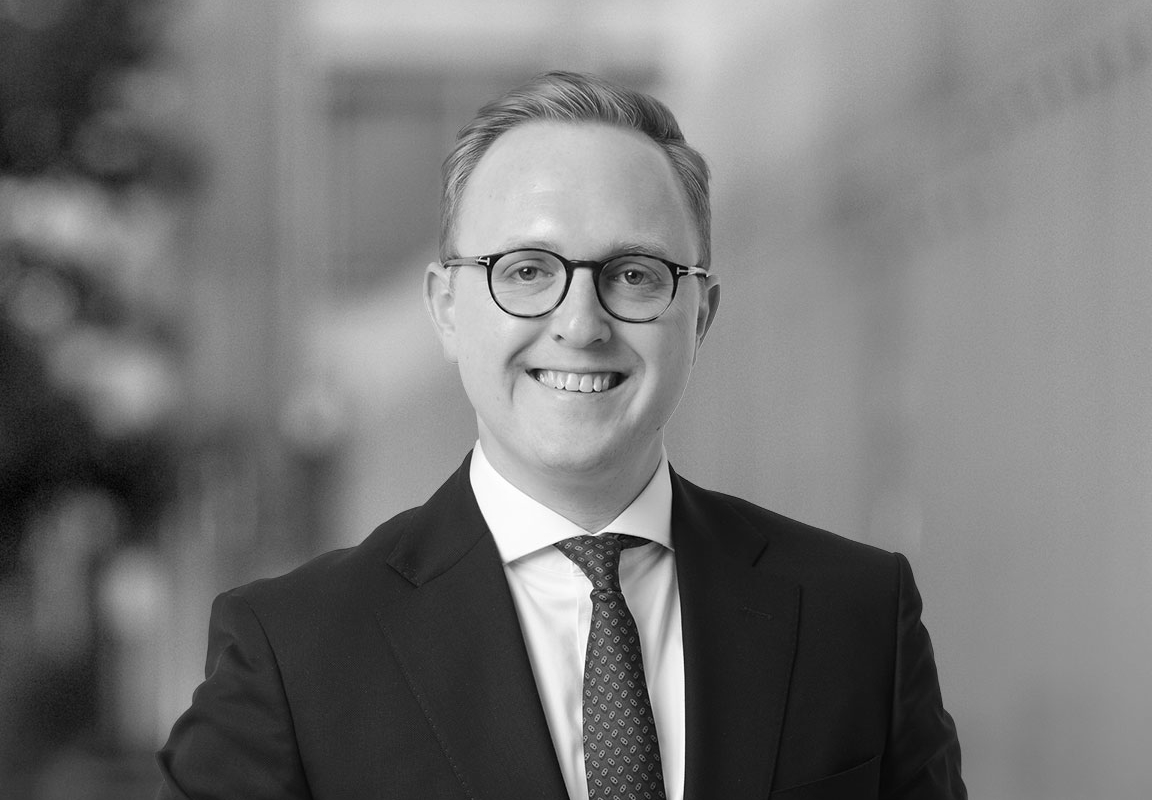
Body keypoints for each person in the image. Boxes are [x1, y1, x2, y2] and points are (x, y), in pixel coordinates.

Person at [157, 71, 965, 800]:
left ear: (701, 315)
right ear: (446, 306)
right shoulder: (295, 654)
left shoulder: (856, 616)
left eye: (635, 275)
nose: (581, 324)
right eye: (527, 271)